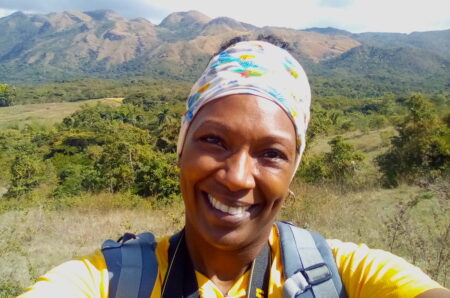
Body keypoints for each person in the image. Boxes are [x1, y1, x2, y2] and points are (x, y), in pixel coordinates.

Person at [19, 37, 448, 298]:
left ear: (292, 171)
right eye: (214, 141)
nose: (238, 177)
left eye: (271, 153)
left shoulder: (340, 275)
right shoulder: (108, 282)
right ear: (181, 149)